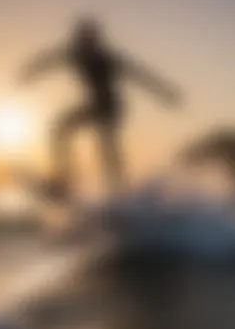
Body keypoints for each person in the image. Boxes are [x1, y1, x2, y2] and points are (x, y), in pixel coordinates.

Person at [17, 17, 182, 200]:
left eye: (89, 40)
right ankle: (65, 182)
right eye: (82, 40)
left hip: (111, 106)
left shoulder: (108, 58)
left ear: (95, 41)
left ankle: (120, 191)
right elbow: (50, 60)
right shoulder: (75, 54)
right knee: (60, 129)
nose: (85, 45)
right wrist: (29, 72)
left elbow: (140, 74)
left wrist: (165, 92)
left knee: (105, 145)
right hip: (94, 106)